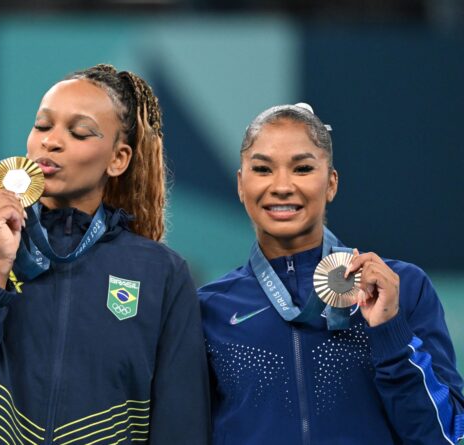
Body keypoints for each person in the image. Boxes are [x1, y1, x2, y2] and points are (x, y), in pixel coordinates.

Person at [0, 64, 210, 444]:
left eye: (79, 132)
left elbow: (182, 427)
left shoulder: (161, 272)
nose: (51, 142)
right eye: (43, 126)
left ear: (118, 159)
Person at [199, 103, 464, 444]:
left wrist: (391, 333)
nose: (281, 186)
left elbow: (448, 436)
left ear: (331, 183)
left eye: (303, 168)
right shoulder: (209, 309)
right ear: (240, 184)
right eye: (263, 169)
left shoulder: (402, 289)